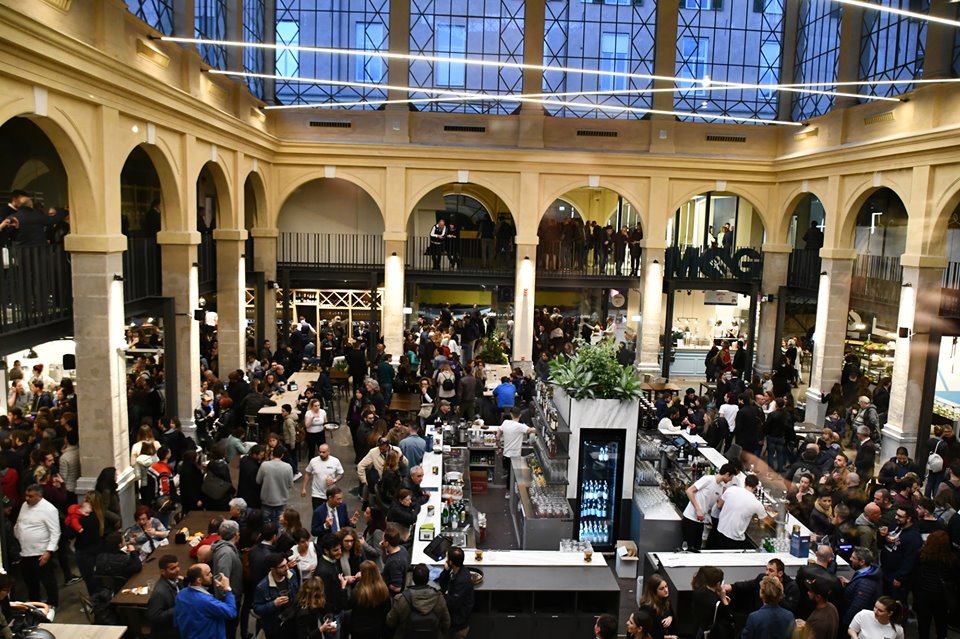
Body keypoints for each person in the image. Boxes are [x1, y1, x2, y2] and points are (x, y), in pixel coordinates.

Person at [14, 484, 60, 607]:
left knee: (47, 580)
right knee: (30, 580)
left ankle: (53, 603)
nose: (27, 498)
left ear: (39, 496)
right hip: (24, 551)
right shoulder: (24, 505)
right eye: (26, 495)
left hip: (40, 552)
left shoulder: (49, 509)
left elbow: (55, 532)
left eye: (30, 496)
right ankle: (35, 601)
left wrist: (48, 551)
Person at [386, 563, 451, 638]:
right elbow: (446, 624)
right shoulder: (439, 598)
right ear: (428, 579)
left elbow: (390, 622)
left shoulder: (401, 599)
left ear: (413, 578)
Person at [913, 530, 958, 639]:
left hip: (923, 594)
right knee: (941, 623)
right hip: (941, 596)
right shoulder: (951, 559)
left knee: (923, 624)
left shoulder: (921, 555)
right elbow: (954, 578)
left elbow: (915, 574)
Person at [174, 563, 238, 639]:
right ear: (199, 580)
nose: (212, 575)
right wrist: (227, 589)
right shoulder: (205, 601)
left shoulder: (182, 594)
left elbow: (176, 620)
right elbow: (231, 612)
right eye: (208, 574)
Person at [682, 463, 736, 550]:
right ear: (727, 474)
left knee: (697, 548)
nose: (730, 480)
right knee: (688, 549)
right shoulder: (707, 479)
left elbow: (718, 504)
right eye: (731, 477)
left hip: (700, 521)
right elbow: (689, 491)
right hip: (690, 519)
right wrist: (698, 509)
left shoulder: (721, 487)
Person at [713, 474, 775, 549]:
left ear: (744, 483)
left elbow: (719, 505)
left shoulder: (731, 489)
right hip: (735, 539)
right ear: (756, 487)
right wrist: (774, 514)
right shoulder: (756, 504)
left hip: (720, 531)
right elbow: (767, 522)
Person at [253, 552, 301, 639]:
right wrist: (273, 604)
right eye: (282, 567)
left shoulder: (292, 574)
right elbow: (257, 609)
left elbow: (297, 592)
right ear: (272, 569)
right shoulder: (262, 587)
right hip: (275, 626)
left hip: (293, 621)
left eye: (286, 564)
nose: (287, 568)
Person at [496, 407, 536, 499]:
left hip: (506, 454)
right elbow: (531, 430)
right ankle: (509, 492)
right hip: (515, 456)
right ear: (520, 415)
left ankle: (509, 488)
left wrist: (498, 442)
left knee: (508, 472)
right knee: (512, 475)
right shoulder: (520, 426)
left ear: (511, 414)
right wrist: (538, 428)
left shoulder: (505, 422)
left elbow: (498, 433)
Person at [839, 547, 883, 629]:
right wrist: (851, 583)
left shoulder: (865, 583)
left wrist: (845, 623)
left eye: (853, 558)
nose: (850, 559)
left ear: (862, 562)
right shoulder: (868, 572)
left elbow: (856, 607)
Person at [347, 560, 392, 639]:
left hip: (359, 629)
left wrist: (343, 589)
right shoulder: (383, 589)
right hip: (377, 628)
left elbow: (348, 605)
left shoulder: (357, 591)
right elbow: (387, 609)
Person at [438, 546, 474, 639]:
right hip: (453, 621)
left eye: (447, 558)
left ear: (450, 562)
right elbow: (443, 585)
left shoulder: (462, 581)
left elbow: (452, 604)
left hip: (458, 626)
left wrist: (441, 596)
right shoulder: (455, 571)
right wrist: (446, 571)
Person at [146, 554, 181, 639]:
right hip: (168, 632)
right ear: (162, 571)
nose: (177, 570)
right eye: (173, 568)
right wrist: (179, 607)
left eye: (177, 566)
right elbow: (154, 617)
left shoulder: (176, 580)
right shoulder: (159, 592)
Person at [257, 445, 294, 525]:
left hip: (267, 499)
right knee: (280, 523)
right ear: (282, 455)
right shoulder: (288, 467)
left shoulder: (264, 465)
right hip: (281, 500)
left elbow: (258, 480)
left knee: (266, 523)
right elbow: (290, 484)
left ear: (272, 454)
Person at [301, 444, 344, 512]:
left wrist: (334, 480)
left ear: (328, 452)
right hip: (317, 494)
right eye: (320, 452)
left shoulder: (335, 461)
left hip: (330, 493)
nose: (321, 454)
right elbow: (307, 473)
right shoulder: (313, 461)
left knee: (330, 513)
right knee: (317, 513)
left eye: (323, 452)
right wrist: (304, 488)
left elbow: (341, 473)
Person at [691, 566, 731, 639]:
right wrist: (724, 599)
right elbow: (729, 619)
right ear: (718, 584)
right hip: (711, 634)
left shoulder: (698, 592)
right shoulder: (717, 604)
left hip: (698, 630)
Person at [638, 574, 676, 639]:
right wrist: (669, 637)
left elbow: (671, 613)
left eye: (666, 586)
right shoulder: (647, 608)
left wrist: (670, 617)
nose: (666, 590)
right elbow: (649, 633)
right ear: (654, 591)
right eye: (662, 588)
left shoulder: (665, 599)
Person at [380, 525, 409, 595]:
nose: (381, 541)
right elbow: (385, 561)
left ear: (387, 543)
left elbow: (397, 588)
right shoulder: (402, 549)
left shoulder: (395, 562)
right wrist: (383, 549)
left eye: (383, 539)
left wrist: (383, 584)